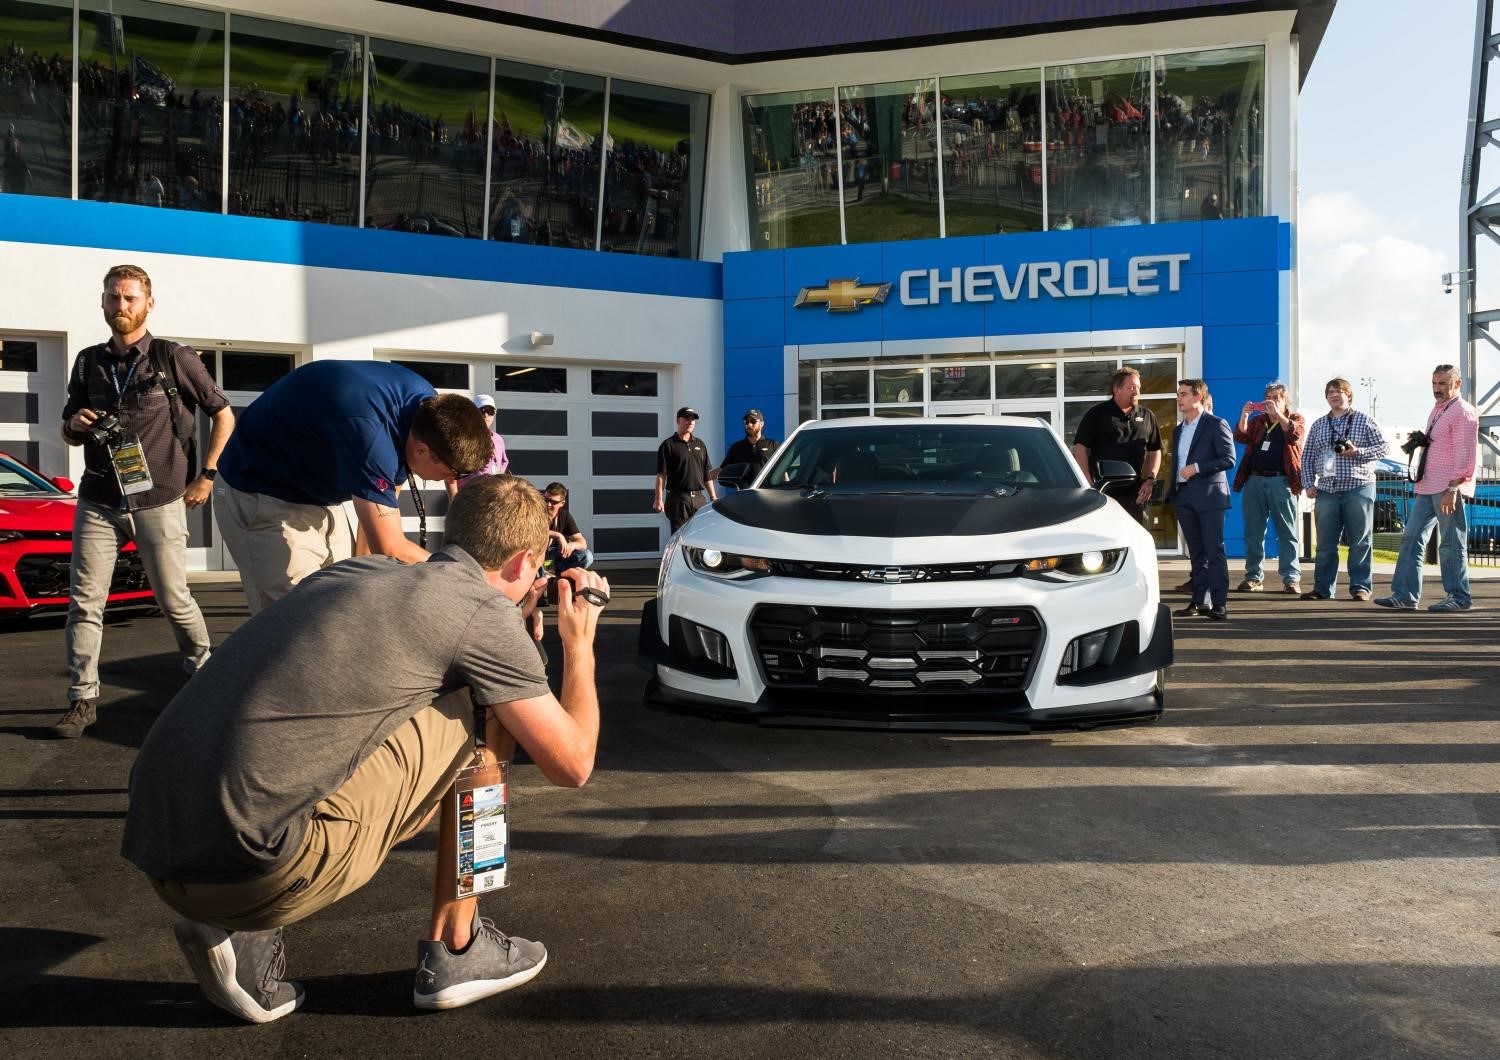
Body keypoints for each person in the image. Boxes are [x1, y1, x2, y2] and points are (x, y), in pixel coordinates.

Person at [121, 475, 611, 1023]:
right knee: (484, 710)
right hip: (253, 875)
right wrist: (579, 641)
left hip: (161, 850)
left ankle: (245, 939)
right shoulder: (481, 613)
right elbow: (574, 764)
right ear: (525, 562)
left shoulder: (359, 571)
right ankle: (458, 944)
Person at [49, 264, 235, 739]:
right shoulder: (88, 363)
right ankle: (82, 699)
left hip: (160, 498)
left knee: (175, 599)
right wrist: (74, 426)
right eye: (113, 297)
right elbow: (68, 429)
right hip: (99, 500)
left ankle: (207, 682)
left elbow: (224, 415)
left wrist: (207, 475)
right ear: (103, 302)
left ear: (148, 303)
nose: (121, 306)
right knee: (84, 603)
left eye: (130, 298)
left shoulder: (174, 358)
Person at [214, 360, 492, 614]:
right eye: (453, 471)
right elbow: (389, 545)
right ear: (421, 451)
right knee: (293, 623)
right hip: (260, 493)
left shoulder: (427, 410)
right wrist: (467, 575)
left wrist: (360, 578)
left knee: (341, 604)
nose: (452, 480)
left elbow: (379, 516)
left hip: (315, 494)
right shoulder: (371, 436)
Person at [1376, 364, 1480, 612]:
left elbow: (1466, 457)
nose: (1437, 389)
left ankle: (1459, 597)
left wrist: (1453, 489)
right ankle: (1405, 595)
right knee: (1410, 540)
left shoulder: (1463, 412)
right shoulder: (1437, 410)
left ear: (1457, 384)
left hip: (1448, 488)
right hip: (1427, 486)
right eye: (1434, 383)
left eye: (1443, 383)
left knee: (1451, 544)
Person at [1300, 377, 1390, 602]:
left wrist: (1357, 452)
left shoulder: (1364, 420)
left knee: (1360, 541)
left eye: (1339, 391)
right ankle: (1322, 588)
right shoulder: (1319, 424)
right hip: (1327, 490)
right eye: (1330, 392)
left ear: (1349, 395)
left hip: (1358, 487)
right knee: (1325, 544)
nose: (1334, 395)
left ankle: (1361, 587)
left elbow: (1384, 447)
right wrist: (1309, 484)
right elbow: (1307, 456)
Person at [1168, 378, 1235, 620]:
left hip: (1210, 496)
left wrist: (1196, 467)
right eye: (1178, 394)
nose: (1179, 398)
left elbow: (1229, 458)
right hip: (1183, 495)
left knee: (1213, 551)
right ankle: (1199, 602)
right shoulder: (1178, 430)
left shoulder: (1216, 424)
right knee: (1196, 553)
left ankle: (1219, 604)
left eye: (1184, 394)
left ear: (1198, 397)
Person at [1232, 381, 1305, 594]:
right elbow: (1241, 437)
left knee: (1287, 531)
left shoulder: (1295, 419)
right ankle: (1254, 577)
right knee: (1253, 532)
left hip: (1282, 481)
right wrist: (1244, 416)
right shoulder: (1258, 421)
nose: (1271, 402)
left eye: (1276, 398)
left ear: (1285, 402)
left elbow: (1294, 435)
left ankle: (1291, 578)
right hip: (1254, 481)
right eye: (1268, 397)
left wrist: (1279, 416)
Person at [1071, 366, 1162, 525]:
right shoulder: (1096, 414)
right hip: (1103, 491)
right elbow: (1081, 449)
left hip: (1135, 493)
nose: (1137, 392)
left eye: (1138, 387)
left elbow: (1155, 450)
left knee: (1133, 538)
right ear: (1116, 389)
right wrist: (1089, 485)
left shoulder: (1148, 416)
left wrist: (1150, 480)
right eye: (1132, 387)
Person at [653, 406, 716, 534]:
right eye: (686, 418)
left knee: (700, 536)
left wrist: (713, 497)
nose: (690, 422)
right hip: (678, 500)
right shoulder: (668, 445)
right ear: (678, 421)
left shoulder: (700, 444)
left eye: (693, 419)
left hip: (699, 500)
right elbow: (661, 475)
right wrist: (658, 499)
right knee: (681, 537)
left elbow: (706, 474)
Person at [446, 393, 509, 500]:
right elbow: (450, 475)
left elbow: (503, 465)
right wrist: (454, 502)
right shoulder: (462, 439)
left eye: (490, 411)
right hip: (468, 499)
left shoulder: (498, 440)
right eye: (481, 411)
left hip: (493, 499)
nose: (486, 415)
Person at [542, 481, 592, 573]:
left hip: (553, 555)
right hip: (538, 554)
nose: (548, 504)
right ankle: (549, 576)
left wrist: (572, 545)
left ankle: (557, 575)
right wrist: (558, 535)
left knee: (587, 556)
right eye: (546, 500)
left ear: (562, 503)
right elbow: (531, 532)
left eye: (553, 502)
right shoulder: (535, 512)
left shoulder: (564, 515)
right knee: (544, 563)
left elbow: (582, 542)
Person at [719, 408, 779, 484]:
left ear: (761, 423)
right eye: (747, 422)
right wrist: (703, 477)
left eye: (753, 421)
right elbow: (723, 470)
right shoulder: (736, 448)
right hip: (745, 494)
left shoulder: (773, 445)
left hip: (768, 493)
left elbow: (783, 470)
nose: (749, 425)